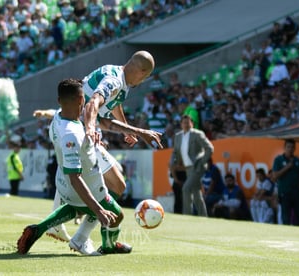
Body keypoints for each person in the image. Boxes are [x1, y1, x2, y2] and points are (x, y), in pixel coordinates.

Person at [36, 50, 156, 246]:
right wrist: (91, 128)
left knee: (77, 174)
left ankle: (58, 225)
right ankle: (81, 237)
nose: (144, 80)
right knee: (117, 185)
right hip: (78, 132)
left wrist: (125, 129)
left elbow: (113, 103)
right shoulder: (114, 81)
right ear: (141, 72)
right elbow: (93, 103)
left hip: (70, 125)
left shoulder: (120, 78)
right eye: (146, 76)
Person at [17, 79, 132, 256]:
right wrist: (98, 210)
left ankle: (37, 230)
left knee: (76, 207)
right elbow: (75, 177)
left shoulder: (58, 117)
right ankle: (108, 245)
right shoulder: (71, 134)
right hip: (83, 186)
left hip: (64, 183)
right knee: (117, 215)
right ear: (81, 100)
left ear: (59, 101)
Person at [170, 114, 214, 217]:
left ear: (192, 124)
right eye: (184, 122)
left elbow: (209, 148)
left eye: (188, 122)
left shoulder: (198, 134)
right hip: (187, 168)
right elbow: (175, 152)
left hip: (197, 167)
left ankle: (187, 216)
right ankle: (204, 217)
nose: (186, 124)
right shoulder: (178, 136)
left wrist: (202, 161)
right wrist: (175, 162)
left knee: (186, 188)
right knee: (197, 194)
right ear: (181, 124)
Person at [272, 139, 299, 226]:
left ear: (295, 148)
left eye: (292, 147)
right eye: (288, 147)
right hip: (285, 193)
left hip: (297, 193)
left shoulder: (297, 160)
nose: (290, 149)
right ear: (284, 148)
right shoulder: (278, 159)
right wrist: (287, 167)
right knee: (286, 217)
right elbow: (275, 176)